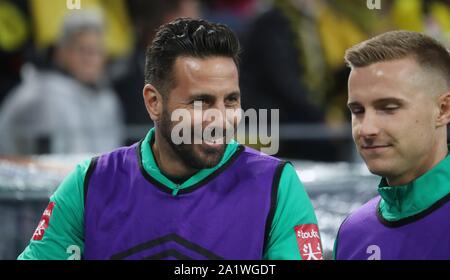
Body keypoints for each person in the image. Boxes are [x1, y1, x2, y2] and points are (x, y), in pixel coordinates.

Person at [18, 18, 322, 260]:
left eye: (230, 101)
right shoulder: (90, 183)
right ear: (153, 101)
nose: (220, 118)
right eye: (201, 102)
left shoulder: (276, 185)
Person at [334, 30, 450, 260]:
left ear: (443, 110)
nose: (366, 129)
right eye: (357, 111)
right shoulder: (352, 232)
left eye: (388, 108)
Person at [0, 10, 124, 154]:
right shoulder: (42, 94)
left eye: (97, 51)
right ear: (61, 53)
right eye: (83, 50)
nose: (90, 60)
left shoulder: (107, 99)